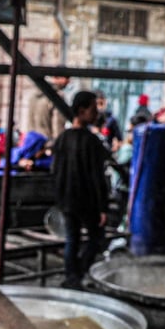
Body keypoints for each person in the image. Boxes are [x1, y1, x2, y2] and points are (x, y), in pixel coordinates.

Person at [52, 90, 111, 289]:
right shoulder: (92, 142)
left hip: (67, 200)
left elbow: (56, 172)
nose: (96, 114)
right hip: (86, 201)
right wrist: (103, 206)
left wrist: (59, 199)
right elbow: (97, 177)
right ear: (82, 111)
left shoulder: (62, 139)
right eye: (93, 109)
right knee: (96, 237)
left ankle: (72, 277)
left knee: (72, 239)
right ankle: (79, 272)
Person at [25, 76, 70, 144]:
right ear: (57, 77)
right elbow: (57, 125)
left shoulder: (34, 94)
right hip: (46, 143)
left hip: (31, 143)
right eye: (67, 78)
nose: (69, 82)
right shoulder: (57, 96)